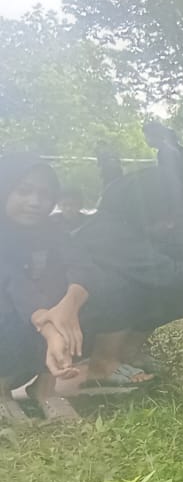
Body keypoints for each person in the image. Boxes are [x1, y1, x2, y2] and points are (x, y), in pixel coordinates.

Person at [72, 167, 183, 384]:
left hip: (96, 316)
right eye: (167, 216)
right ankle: (102, 363)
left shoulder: (136, 226)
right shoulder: (108, 232)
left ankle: (128, 351)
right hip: (73, 325)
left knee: (164, 288)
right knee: (124, 286)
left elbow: (174, 259)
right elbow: (171, 275)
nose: (171, 224)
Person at [0, 154, 97, 421]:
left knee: (87, 299)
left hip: (41, 317)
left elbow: (82, 265)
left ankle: (45, 388)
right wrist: (49, 326)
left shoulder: (53, 231)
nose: (35, 202)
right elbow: (12, 282)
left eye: (44, 193)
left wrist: (70, 305)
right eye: (24, 191)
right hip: (15, 313)